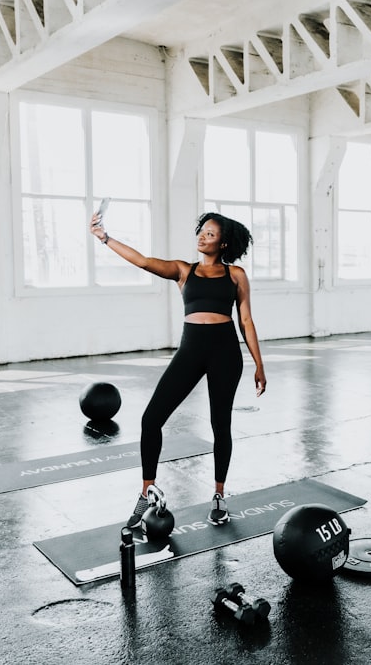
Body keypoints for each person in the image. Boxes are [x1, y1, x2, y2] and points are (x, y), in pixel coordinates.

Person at [89, 208, 266, 526]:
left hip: (226, 353)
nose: (203, 236)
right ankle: (146, 492)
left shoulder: (235, 275)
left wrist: (259, 364)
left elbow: (247, 320)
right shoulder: (183, 271)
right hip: (191, 351)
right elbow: (142, 261)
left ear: (224, 243)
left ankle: (219, 495)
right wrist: (104, 238)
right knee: (150, 419)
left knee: (220, 425)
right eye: (202, 231)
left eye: (211, 234)